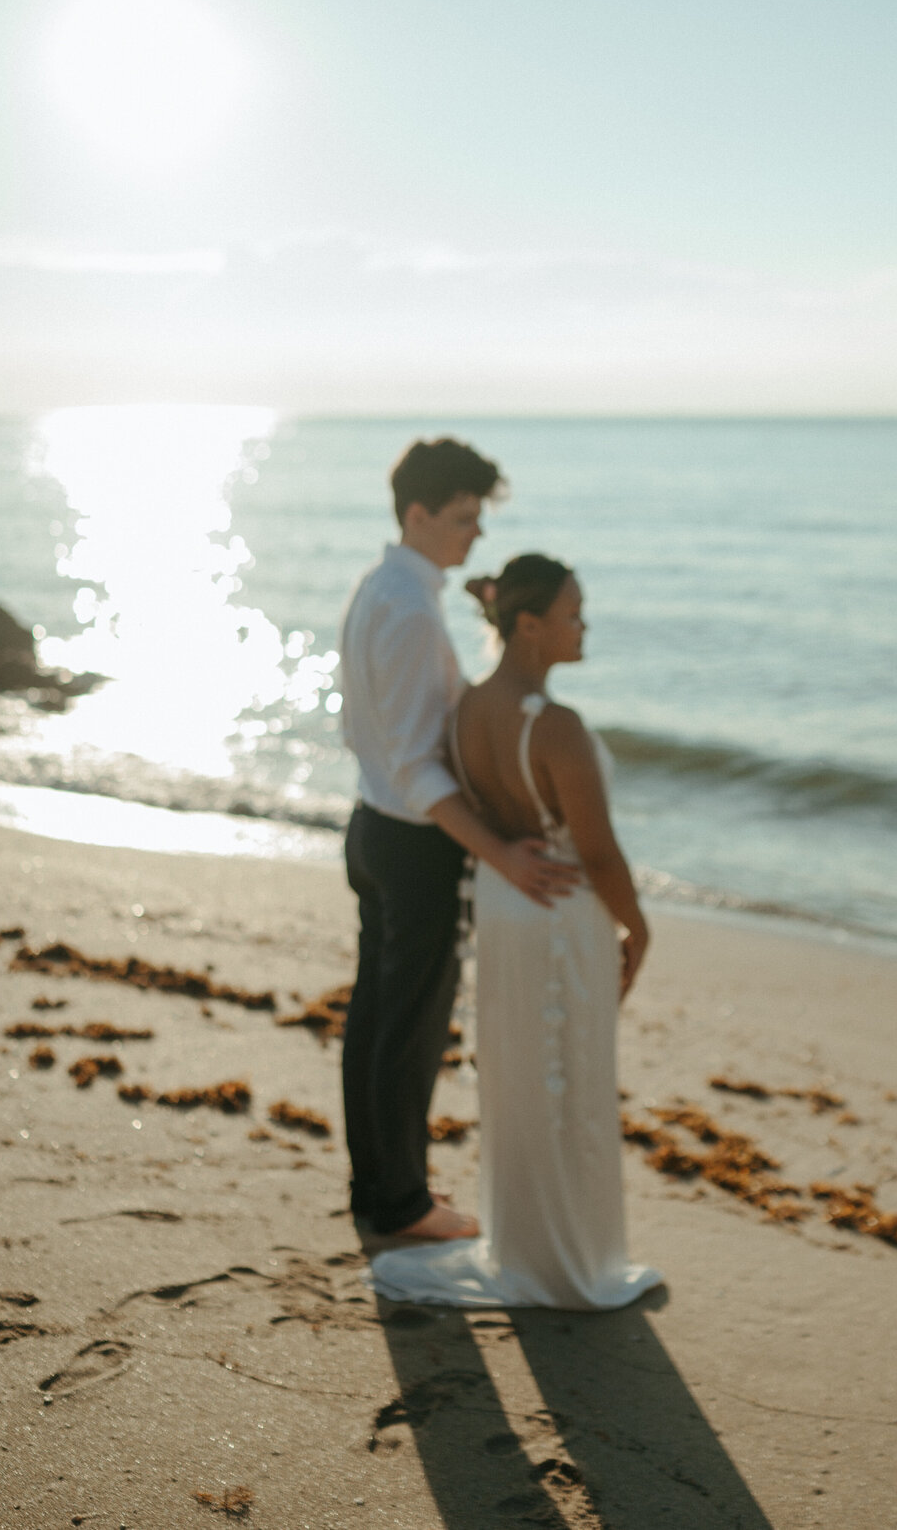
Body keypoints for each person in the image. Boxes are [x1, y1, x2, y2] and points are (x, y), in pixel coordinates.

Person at [370, 554, 661, 1309]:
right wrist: (638, 929)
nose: (584, 625)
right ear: (528, 626)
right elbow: (597, 853)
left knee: (522, 1080)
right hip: (561, 907)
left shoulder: (465, 709)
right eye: (574, 613)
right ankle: (569, 1262)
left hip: (503, 903)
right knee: (571, 1079)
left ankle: (527, 1245)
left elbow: (452, 794)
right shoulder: (556, 727)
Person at [340, 443, 574, 1244]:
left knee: (377, 1021)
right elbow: (417, 768)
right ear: (418, 514)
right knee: (405, 1032)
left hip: (372, 830)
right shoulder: (406, 610)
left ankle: (380, 1192)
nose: (476, 534)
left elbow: (375, 741)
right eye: (464, 517)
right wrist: (502, 852)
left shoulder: (385, 589)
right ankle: (400, 1204)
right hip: (411, 845)